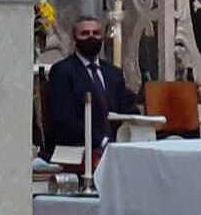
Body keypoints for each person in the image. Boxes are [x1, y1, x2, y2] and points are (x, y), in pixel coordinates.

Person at [45, 15, 136, 161]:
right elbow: (64, 119)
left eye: (96, 33)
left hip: (117, 148)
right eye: (85, 33)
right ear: (74, 38)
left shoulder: (113, 73)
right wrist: (101, 141)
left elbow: (126, 109)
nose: (91, 37)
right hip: (79, 150)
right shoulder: (62, 71)